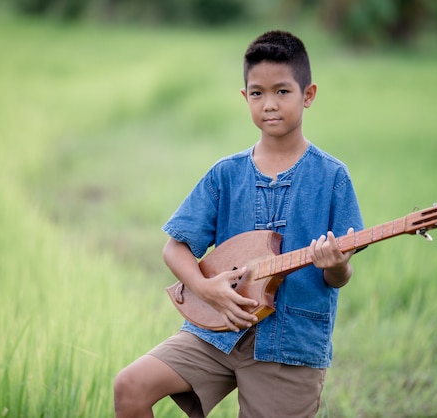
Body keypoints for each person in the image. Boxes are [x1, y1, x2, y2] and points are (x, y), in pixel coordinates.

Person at [113, 30, 364, 418]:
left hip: (289, 347)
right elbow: (174, 247)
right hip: (216, 331)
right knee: (130, 387)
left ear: (308, 95)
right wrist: (204, 288)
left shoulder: (332, 177)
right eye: (258, 93)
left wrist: (336, 264)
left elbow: (338, 278)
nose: (270, 104)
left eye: (283, 91)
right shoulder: (225, 175)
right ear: (245, 97)